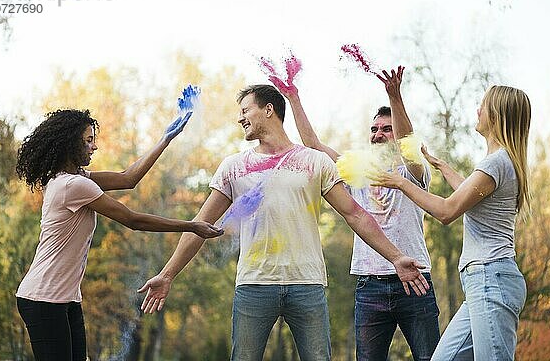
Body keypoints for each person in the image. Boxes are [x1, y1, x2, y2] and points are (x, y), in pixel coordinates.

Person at [138, 84, 429, 361]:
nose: (240, 118)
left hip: (307, 284)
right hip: (253, 284)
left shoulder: (315, 162)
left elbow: (354, 214)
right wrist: (167, 274)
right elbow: (198, 225)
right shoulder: (233, 166)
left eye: (245, 110)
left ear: (268, 110)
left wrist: (396, 257)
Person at [15, 108, 223, 361]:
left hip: (65, 297)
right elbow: (132, 220)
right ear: (70, 144)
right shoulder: (72, 185)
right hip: (43, 298)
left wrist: (165, 140)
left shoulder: (74, 178)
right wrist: (192, 225)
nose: (94, 147)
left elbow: (128, 178)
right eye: (88, 140)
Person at [270, 66, 440, 361]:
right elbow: (314, 146)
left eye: (386, 129)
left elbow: (408, 146)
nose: (378, 135)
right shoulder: (356, 171)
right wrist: (293, 97)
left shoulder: (412, 172)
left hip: (415, 282)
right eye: (374, 129)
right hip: (369, 287)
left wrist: (395, 96)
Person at [372, 85, 530, 360]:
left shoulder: (496, 162)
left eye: (483, 104)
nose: (478, 110)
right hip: (483, 281)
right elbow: (467, 194)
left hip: (491, 277)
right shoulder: (500, 162)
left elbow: (447, 211)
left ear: (498, 114)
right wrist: (442, 165)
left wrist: (400, 182)